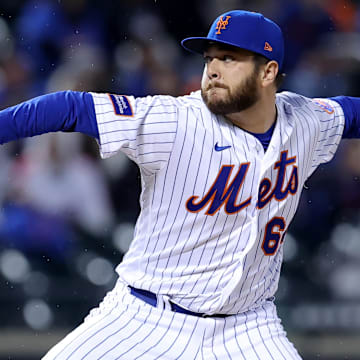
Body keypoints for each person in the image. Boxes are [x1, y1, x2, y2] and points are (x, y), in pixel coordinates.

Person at [1, 9, 359, 360]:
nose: (213, 70)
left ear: (268, 72)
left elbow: (352, 113)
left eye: (229, 59)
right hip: (143, 319)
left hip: (249, 328)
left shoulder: (307, 120)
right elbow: (69, 106)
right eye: (210, 58)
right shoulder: (174, 121)